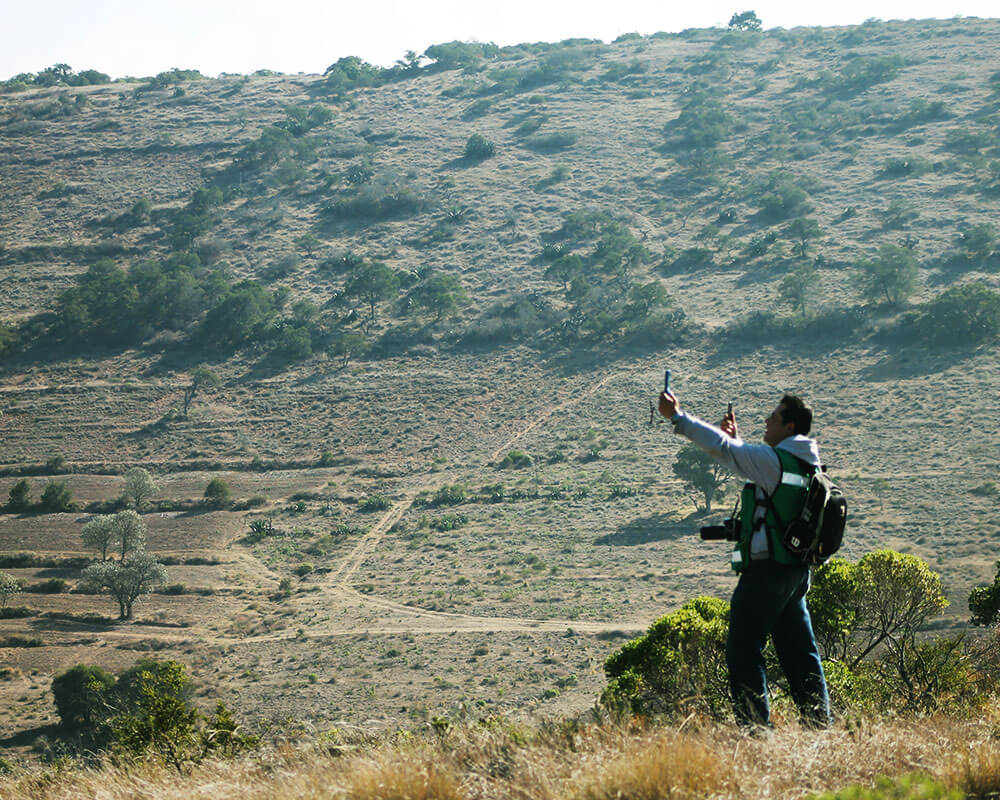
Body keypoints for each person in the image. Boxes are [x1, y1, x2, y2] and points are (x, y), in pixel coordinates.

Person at [658, 389, 831, 729]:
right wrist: (736, 443)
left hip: (766, 574)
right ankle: (820, 727)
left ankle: (755, 733)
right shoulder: (804, 464)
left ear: (790, 426)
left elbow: (724, 450)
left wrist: (678, 417)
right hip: (794, 575)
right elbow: (750, 465)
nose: (767, 421)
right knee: (801, 654)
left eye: (774, 417)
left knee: (743, 650)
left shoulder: (774, 462)